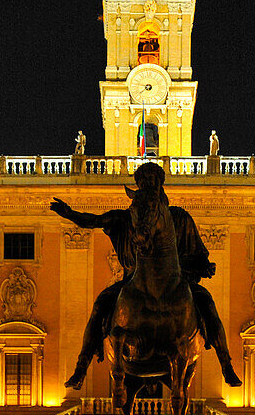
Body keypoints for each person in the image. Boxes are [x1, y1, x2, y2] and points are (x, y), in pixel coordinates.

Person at [49, 163, 241, 390]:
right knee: (100, 306)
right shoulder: (127, 218)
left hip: (178, 282)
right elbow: (95, 221)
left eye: (153, 181)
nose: (148, 185)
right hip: (132, 281)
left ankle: (225, 363)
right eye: (143, 181)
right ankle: (81, 368)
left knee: (207, 304)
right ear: (137, 187)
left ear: (161, 186)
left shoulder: (178, 217)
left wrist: (203, 265)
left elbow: (197, 251)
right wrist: (70, 214)